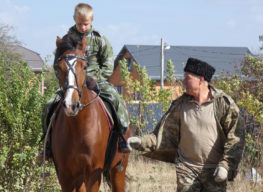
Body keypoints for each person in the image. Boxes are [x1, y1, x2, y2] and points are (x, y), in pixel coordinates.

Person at [127, 57, 245, 192]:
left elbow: (236, 137)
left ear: (201, 80)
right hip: (187, 169)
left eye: (187, 78)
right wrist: (140, 141)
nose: (183, 82)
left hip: (215, 171)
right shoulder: (180, 105)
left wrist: (225, 165)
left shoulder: (223, 104)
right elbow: (162, 136)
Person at [40, 3, 130, 159]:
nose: (82, 27)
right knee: (48, 104)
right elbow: (57, 64)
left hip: (96, 79)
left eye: (86, 24)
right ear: (74, 20)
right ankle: (47, 144)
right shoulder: (67, 39)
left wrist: (98, 78)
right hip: (72, 81)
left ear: (92, 20)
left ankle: (122, 138)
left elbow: (108, 63)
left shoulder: (99, 39)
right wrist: (64, 80)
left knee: (117, 100)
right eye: (79, 23)